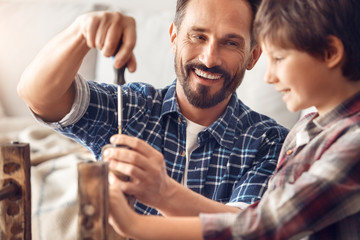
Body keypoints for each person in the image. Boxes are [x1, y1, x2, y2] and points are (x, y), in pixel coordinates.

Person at [106, 0, 360, 239]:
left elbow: (266, 224)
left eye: (279, 59)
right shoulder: (308, 128)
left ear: (330, 53)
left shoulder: (354, 141)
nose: (269, 77)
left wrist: (134, 224)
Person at [17, 0, 288, 217]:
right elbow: (38, 96)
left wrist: (162, 193)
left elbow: (246, 229)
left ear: (253, 56)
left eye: (230, 43)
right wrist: (80, 32)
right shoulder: (133, 107)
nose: (209, 58)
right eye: (198, 36)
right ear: (173, 38)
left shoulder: (270, 141)